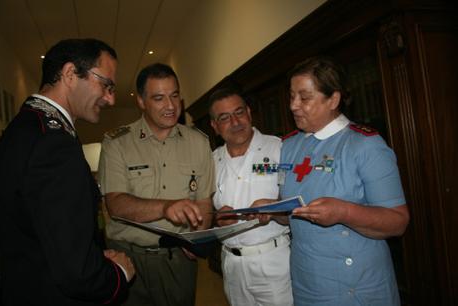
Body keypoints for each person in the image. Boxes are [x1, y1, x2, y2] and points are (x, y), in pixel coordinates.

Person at [0, 38, 135, 306]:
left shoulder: (23, 130)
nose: (110, 98)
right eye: (106, 84)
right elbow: (77, 274)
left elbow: (43, 234)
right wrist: (118, 274)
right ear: (71, 74)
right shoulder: (54, 144)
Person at [273, 56, 409, 306]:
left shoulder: (365, 145)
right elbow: (292, 212)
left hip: (355, 284)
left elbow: (398, 221)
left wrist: (343, 212)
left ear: (333, 100)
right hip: (307, 281)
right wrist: (271, 210)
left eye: (304, 97)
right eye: (291, 96)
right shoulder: (288, 146)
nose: (293, 105)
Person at [98, 63, 214, 306]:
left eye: (174, 96)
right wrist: (165, 207)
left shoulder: (199, 142)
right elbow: (116, 204)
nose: (171, 106)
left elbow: (204, 203)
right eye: (159, 98)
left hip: (177, 261)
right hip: (128, 258)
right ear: (141, 101)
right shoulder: (117, 142)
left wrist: (197, 236)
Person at [209, 86, 293, 306]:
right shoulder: (210, 163)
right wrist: (217, 218)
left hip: (274, 263)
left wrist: (274, 210)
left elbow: (299, 210)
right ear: (215, 126)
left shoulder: (280, 149)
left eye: (239, 112)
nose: (235, 122)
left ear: (249, 112)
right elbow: (206, 215)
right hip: (231, 264)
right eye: (224, 118)